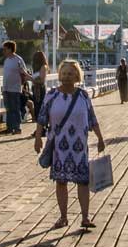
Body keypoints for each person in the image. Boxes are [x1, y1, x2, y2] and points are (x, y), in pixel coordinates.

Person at [36, 59, 107, 230]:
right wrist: (38, 137)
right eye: (64, 74)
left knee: (83, 181)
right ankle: (63, 217)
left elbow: (92, 118)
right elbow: (42, 118)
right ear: (59, 75)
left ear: (77, 76)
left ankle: (85, 217)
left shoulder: (83, 95)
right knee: (61, 181)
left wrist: (100, 138)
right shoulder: (52, 95)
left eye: (70, 74)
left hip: (79, 146)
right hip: (59, 146)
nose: (67, 77)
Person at [0, 40, 28, 133]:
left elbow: (24, 73)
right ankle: (9, 128)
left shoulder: (18, 59)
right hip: (6, 88)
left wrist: (22, 86)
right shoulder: (6, 60)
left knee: (15, 109)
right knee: (8, 109)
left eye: (5, 49)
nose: (3, 51)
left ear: (10, 49)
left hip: (15, 88)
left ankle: (17, 128)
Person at [31, 50, 49, 124]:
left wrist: (30, 79)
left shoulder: (43, 67)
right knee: (37, 108)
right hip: (35, 89)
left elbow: (42, 81)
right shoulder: (36, 69)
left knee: (40, 108)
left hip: (40, 89)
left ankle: (42, 128)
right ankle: (39, 128)